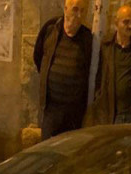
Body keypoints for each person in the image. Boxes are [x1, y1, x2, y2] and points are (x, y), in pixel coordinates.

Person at [33, 0, 93, 139]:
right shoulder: (51, 30)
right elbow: (38, 56)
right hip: (52, 108)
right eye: (75, 9)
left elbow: (91, 69)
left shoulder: (87, 38)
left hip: (74, 111)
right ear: (66, 9)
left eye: (82, 11)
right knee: (48, 149)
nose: (79, 15)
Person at [91, 4, 131, 124]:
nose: (130, 26)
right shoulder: (107, 46)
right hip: (112, 114)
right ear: (116, 23)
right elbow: (99, 76)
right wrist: (99, 99)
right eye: (126, 22)